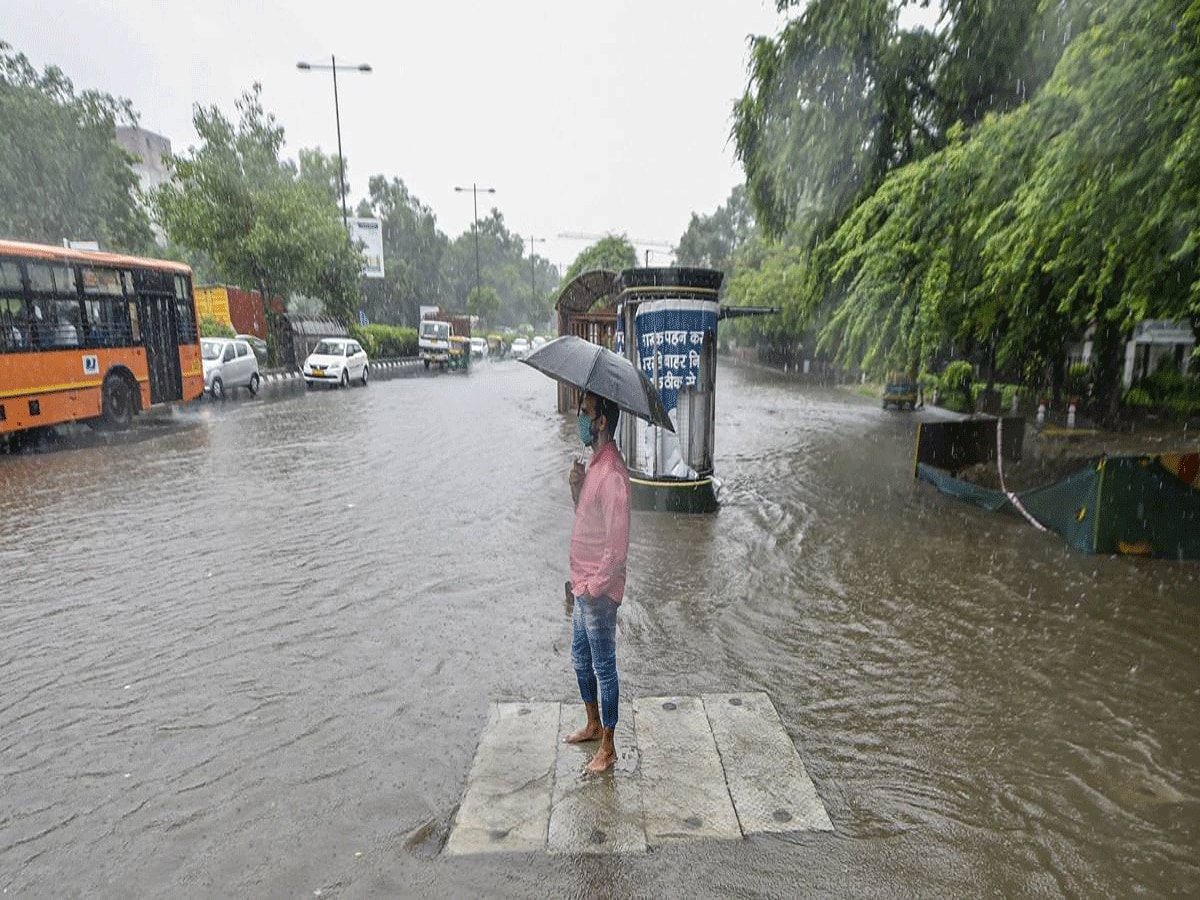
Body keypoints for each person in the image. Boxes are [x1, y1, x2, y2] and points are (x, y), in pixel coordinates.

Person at [562, 390, 631, 773]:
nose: (581, 419)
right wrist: (577, 488)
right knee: (579, 659)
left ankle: (608, 746)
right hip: (582, 583)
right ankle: (591, 723)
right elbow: (587, 520)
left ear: (602, 421)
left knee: (603, 667)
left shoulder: (614, 477)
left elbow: (616, 549)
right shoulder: (594, 467)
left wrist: (591, 588)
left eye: (586, 412)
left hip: (598, 591)